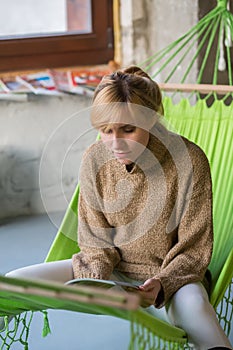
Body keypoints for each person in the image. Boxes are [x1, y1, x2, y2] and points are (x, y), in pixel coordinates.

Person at [1, 66, 232, 350]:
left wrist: (161, 283)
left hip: (169, 280)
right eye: (105, 130)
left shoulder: (190, 160)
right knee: (11, 285)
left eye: (128, 129)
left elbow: (193, 250)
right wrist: (96, 280)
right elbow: (95, 241)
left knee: (200, 317)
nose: (114, 142)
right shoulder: (94, 159)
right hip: (110, 272)